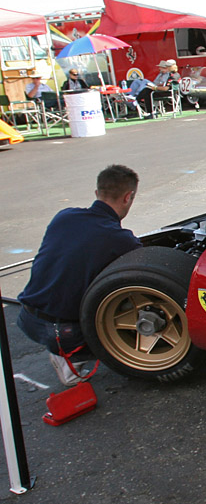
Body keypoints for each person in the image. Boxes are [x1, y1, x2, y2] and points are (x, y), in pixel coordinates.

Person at [17, 165, 142, 386]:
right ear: (128, 197)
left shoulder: (64, 217)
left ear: (97, 193)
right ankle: (70, 357)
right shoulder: (122, 240)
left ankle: (63, 350)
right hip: (63, 333)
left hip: (26, 319)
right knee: (134, 306)